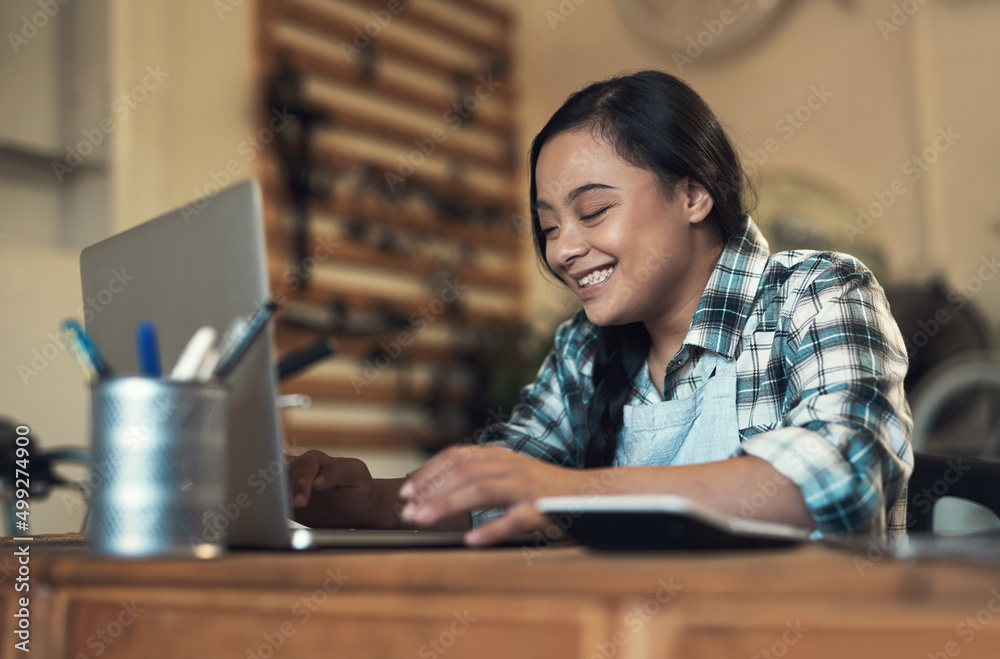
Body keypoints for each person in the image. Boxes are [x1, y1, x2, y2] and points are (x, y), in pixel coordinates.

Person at [288, 70, 914, 546]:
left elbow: (839, 482)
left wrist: (575, 492)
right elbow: (502, 488)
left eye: (592, 212)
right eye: (548, 225)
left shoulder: (818, 293)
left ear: (694, 192)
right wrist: (367, 502)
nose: (564, 248)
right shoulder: (583, 350)